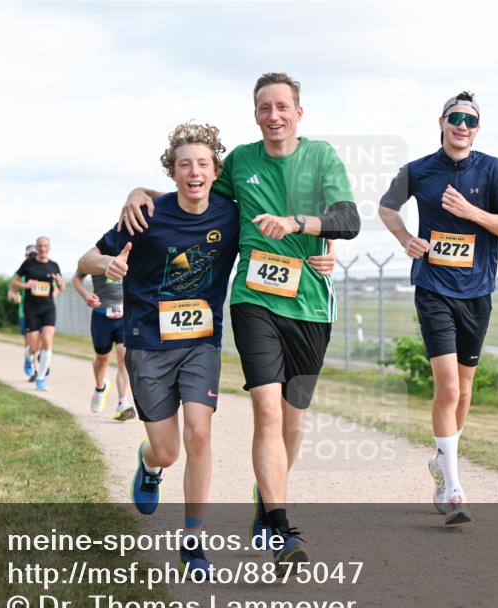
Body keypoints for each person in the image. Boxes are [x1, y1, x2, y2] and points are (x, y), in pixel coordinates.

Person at [120, 73, 359, 573]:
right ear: (255, 116)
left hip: (310, 303)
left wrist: (302, 226)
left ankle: (264, 494)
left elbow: (348, 219)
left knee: (294, 422)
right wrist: (136, 191)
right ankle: (279, 526)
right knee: (267, 413)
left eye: (281, 107)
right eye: (264, 108)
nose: (273, 116)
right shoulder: (242, 162)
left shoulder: (322, 158)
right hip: (253, 299)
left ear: (299, 112)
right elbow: (191, 186)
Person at [84, 121, 246, 575]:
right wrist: (107, 263)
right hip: (147, 344)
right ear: (171, 173)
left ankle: (193, 542)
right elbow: (85, 259)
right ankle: (149, 464)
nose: (194, 172)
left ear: (215, 170)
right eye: (184, 165)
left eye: (202, 163)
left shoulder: (230, 214)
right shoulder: (146, 214)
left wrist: (325, 246)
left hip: (201, 342)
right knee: (168, 451)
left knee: (199, 433)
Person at [379, 90, 498, 525]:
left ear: (477, 129)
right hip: (434, 288)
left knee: (466, 387)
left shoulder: (493, 169)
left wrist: (471, 211)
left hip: (477, 291)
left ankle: (442, 460)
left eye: (470, 120)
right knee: (449, 388)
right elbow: (386, 208)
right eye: (455, 118)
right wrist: (407, 240)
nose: (462, 125)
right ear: (441, 122)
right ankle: (453, 486)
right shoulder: (419, 170)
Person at [71, 264, 135, 421]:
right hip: (101, 316)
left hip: (124, 316)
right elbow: (76, 278)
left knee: (123, 356)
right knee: (102, 359)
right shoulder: (96, 258)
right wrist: (86, 295)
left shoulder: (129, 254)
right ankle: (100, 388)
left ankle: (122, 403)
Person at [11, 237, 64, 391]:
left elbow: (61, 287)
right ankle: (28, 358)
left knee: (47, 341)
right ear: (36, 247)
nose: (42, 249)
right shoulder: (28, 264)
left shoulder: (54, 266)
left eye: (45, 246)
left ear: (49, 247)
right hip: (31, 308)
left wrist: (59, 282)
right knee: (33, 348)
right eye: (40, 246)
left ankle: (40, 378)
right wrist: (25, 285)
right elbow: (14, 282)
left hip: (48, 308)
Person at [9, 245, 37, 376]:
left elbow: (54, 289)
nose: (32, 257)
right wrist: (15, 296)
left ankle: (38, 364)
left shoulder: (45, 270)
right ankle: (31, 364)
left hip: (42, 311)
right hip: (25, 312)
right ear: (26, 256)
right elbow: (11, 291)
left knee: (42, 341)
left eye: (34, 255)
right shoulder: (21, 272)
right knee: (29, 342)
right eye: (30, 255)